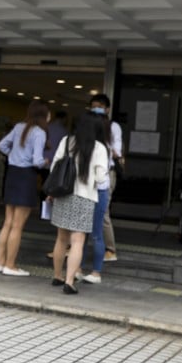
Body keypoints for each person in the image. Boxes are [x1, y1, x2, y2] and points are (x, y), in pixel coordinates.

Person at [48, 111, 109, 294]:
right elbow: (100, 177)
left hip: (63, 195)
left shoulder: (67, 141)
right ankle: (69, 281)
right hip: (85, 197)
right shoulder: (98, 148)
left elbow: (54, 168)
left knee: (61, 239)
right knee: (77, 241)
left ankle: (57, 276)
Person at [0, 100, 50, 276]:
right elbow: (37, 161)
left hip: (12, 175)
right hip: (26, 177)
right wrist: (47, 162)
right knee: (18, 225)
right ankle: (10, 265)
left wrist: (14, 156)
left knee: (8, 222)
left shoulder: (19, 127)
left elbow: (1, 145)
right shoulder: (39, 132)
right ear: (43, 115)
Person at [75, 107, 113, 284]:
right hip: (98, 192)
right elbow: (102, 179)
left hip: (87, 192)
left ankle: (82, 269)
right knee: (95, 233)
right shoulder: (102, 147)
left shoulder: (88, 146)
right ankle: (93, 272)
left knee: (81, 233)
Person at [89, 94, 124, 261]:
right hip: (88, 171)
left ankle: (110, 249)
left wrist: (111, 150)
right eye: (94, 106)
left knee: (102, 211)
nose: (97, 109)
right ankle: (73, 246)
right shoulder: (88, 124)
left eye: (100, 107)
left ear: (107, 109)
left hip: (106, 172)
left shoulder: (113, 126)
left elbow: (117, 149)